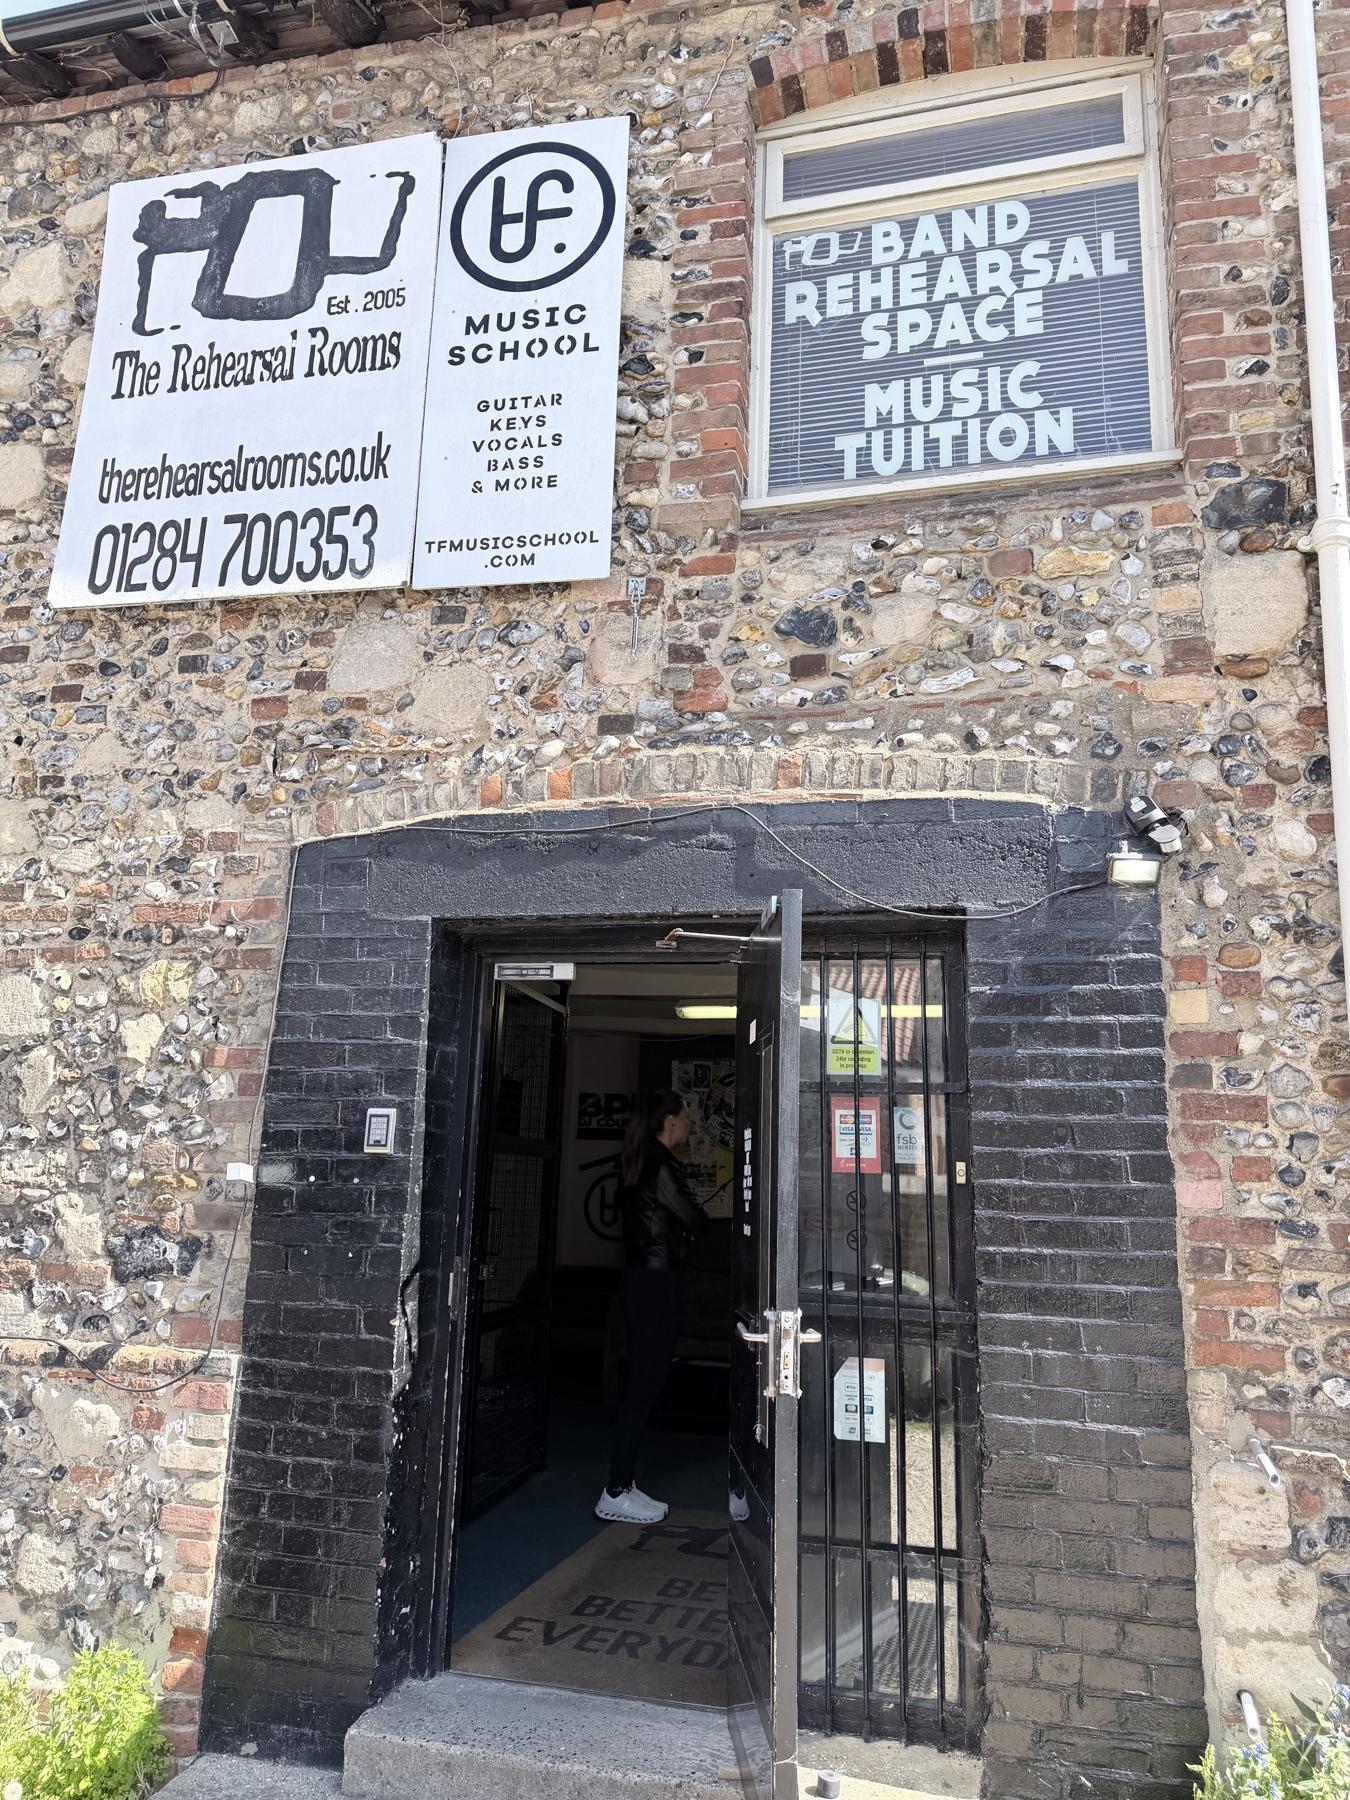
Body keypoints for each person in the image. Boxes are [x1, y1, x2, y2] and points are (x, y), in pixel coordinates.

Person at [596, 1090, 707, 1524]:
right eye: (683, 1118)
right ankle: (615, 1490)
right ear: (670, 1123)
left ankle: (623, 1483)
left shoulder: (637, 1160)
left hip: (640, 1281)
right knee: (644, 1383)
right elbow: (694, 1221)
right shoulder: (659, 1167)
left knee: (644, 1381)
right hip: (654, 1283)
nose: (687, 1126)